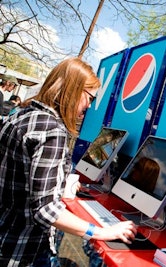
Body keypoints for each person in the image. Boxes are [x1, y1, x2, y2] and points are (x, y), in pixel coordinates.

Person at [0, 57, 137, 266]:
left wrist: (59, 183)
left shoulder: (21, 116)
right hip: (23, 250)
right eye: (89, 97)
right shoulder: (52, 130)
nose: (89, 106)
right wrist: (102, 231)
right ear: (73, 90)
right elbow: (45, 210)